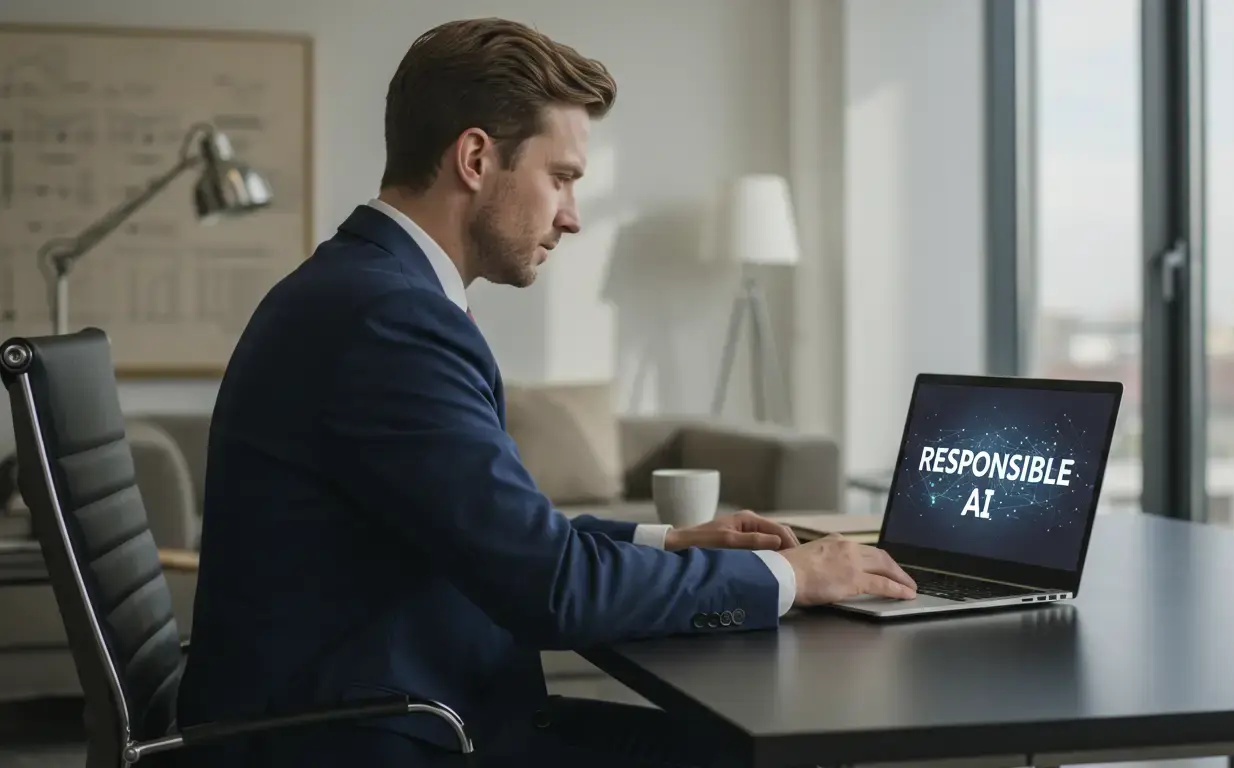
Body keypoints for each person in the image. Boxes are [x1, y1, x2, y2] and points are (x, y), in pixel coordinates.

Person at [175, 17, 917, 768]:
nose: (571, 215)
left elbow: (506, 538)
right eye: (559, 177)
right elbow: (553, 589)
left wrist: (669, 539)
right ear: (474, 158)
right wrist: (793, 574)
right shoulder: (388, 318)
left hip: (391, 706)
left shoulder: (359, 288)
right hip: (378, 736)